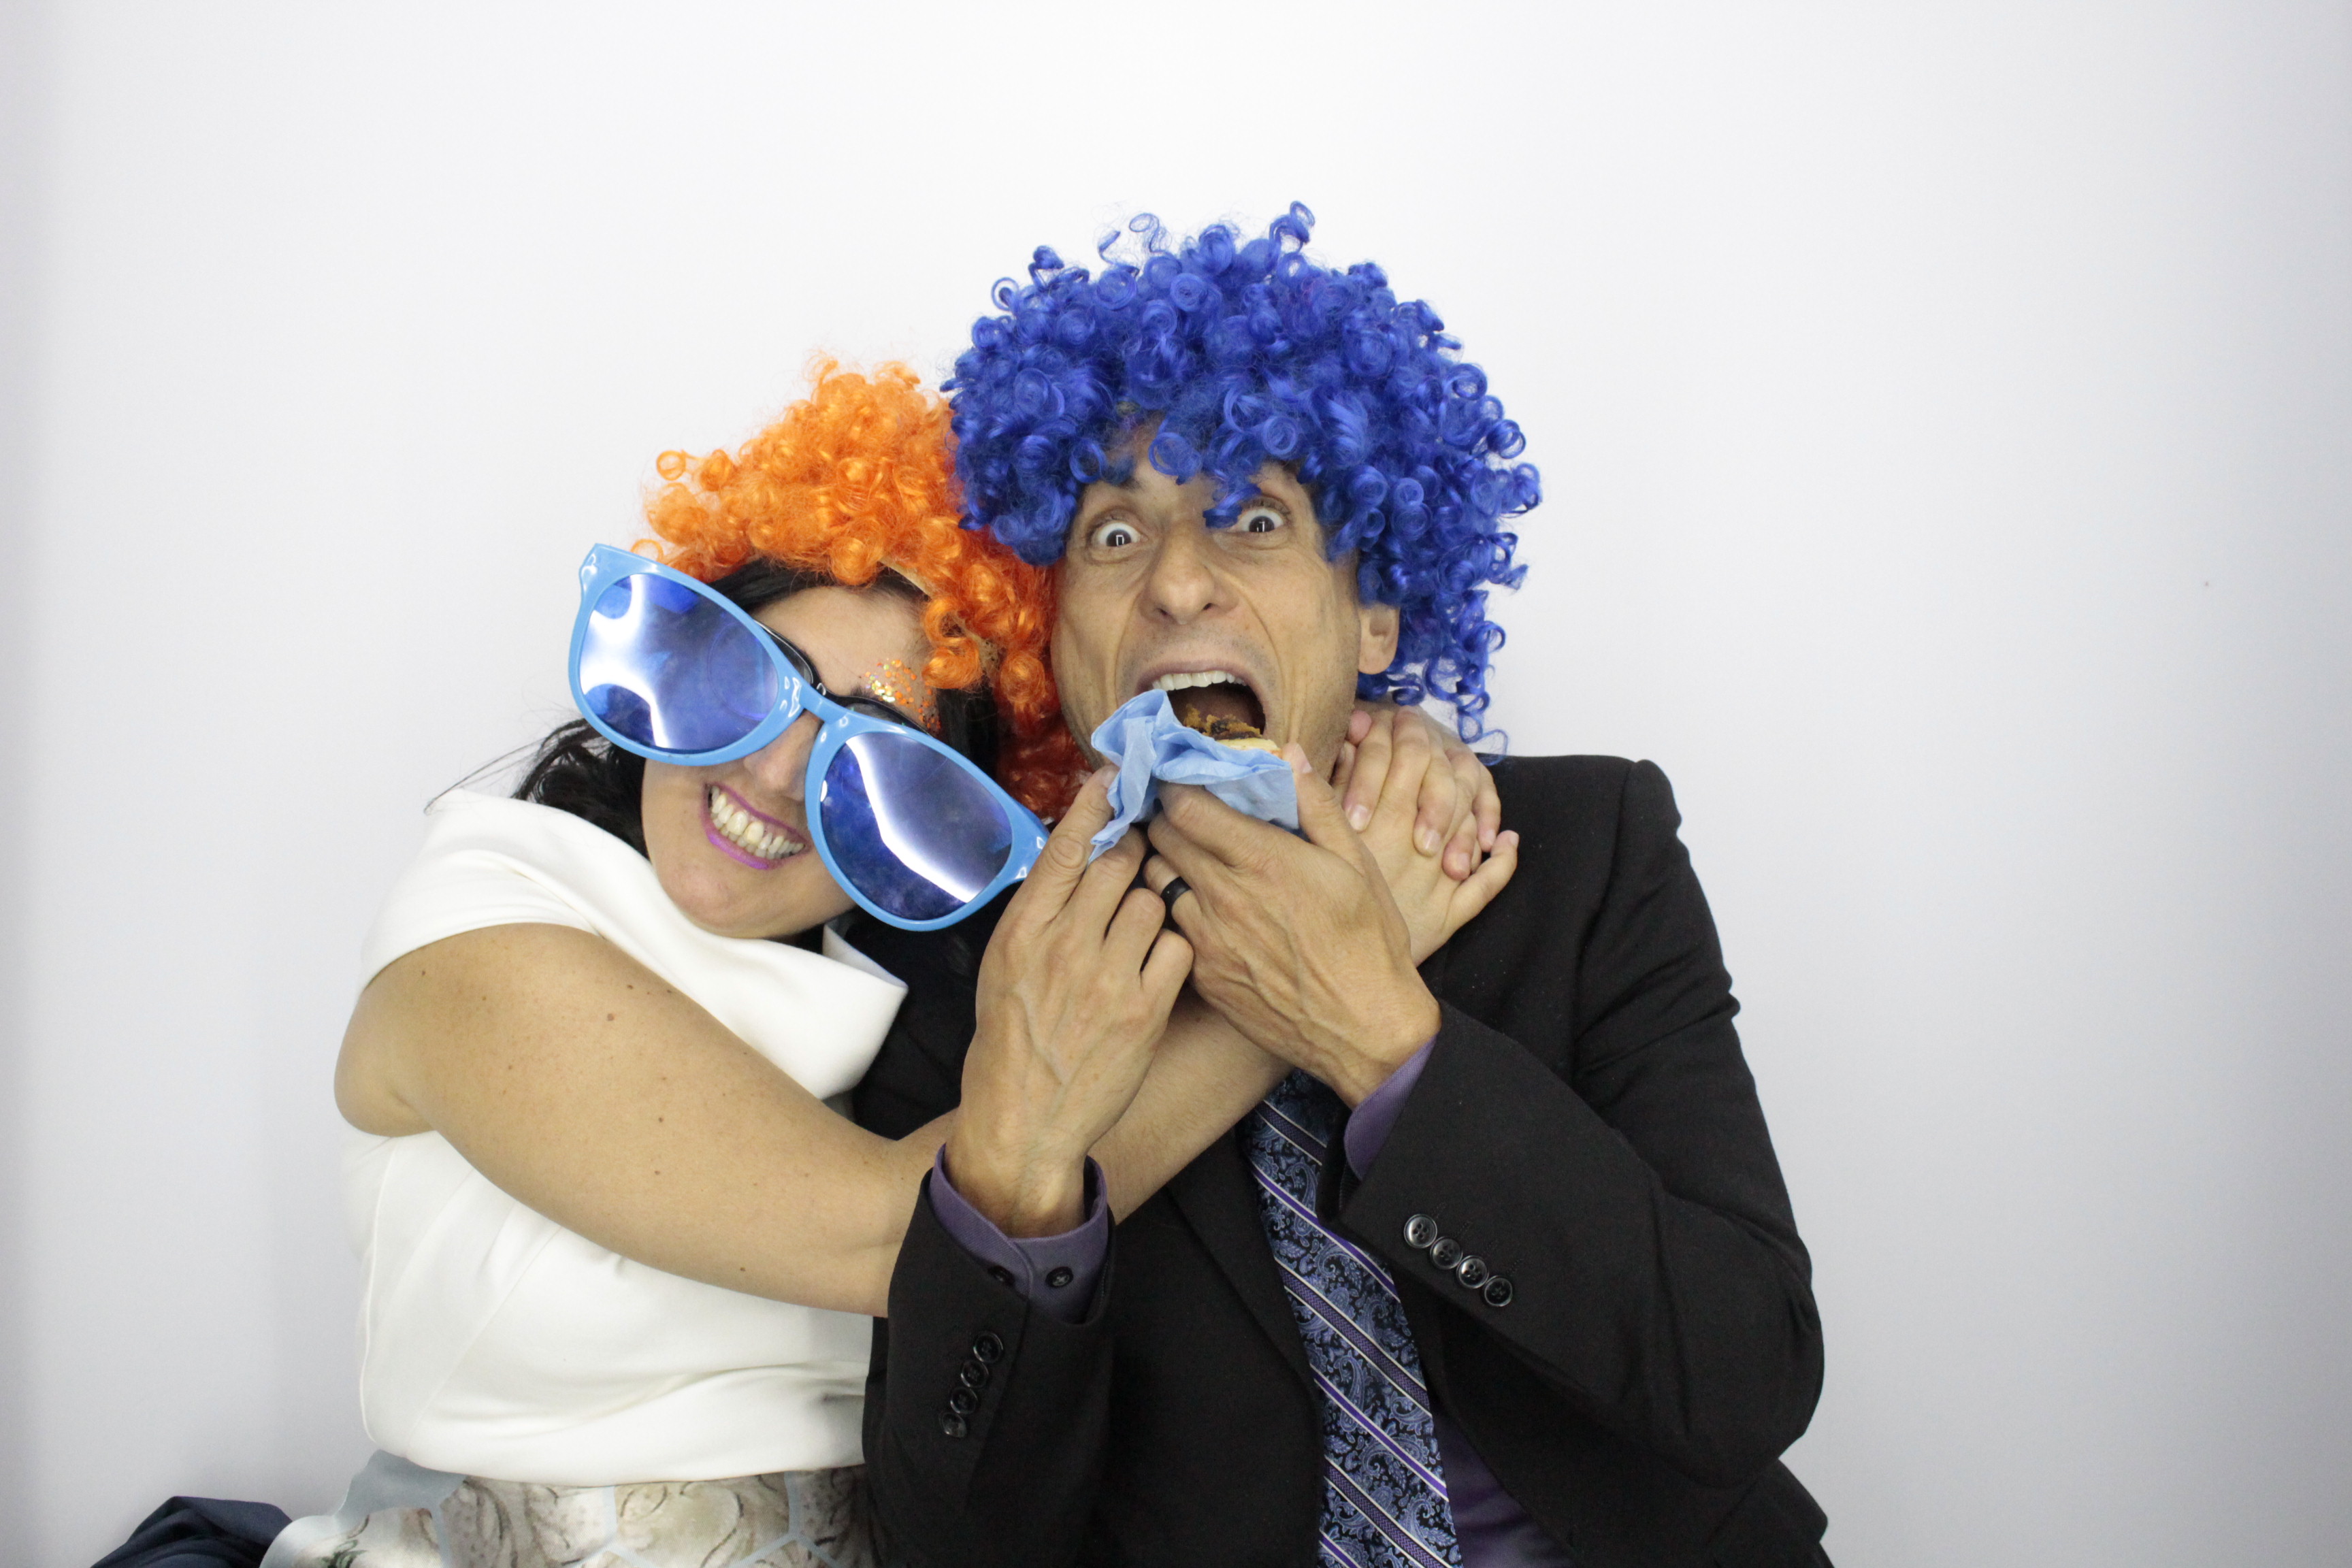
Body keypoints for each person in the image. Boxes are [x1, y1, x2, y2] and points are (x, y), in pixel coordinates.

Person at [253, 361, 1503, 1568]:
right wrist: (1330, 980)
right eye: (755, 679)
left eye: (879, 756)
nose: (774, 771)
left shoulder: (921, 1001)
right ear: (678, 654)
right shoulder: (482, 917)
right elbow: (909, 1237)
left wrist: (1364, 739)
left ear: (941, 818)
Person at [853, 210, 1830, 1567]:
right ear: (1048, 635)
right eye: (1112, 536)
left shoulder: (1582, 850)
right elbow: (950, 1551)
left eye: (1253, 519)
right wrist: (1020, 1179)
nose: (1177, 579)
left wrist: (1384, 1041)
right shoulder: (977, 979)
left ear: (1375, 616)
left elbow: (1745, 1374)